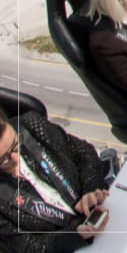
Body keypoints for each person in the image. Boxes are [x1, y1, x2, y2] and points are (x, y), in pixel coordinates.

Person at [0, 107, 110, 252]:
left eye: (15, 144)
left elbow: (83, 153)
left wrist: (91, 187)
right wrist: (74, 236)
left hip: (105, 214)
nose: (15, 158)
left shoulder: (31, 126)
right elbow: (29, 247)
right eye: (4, 159)